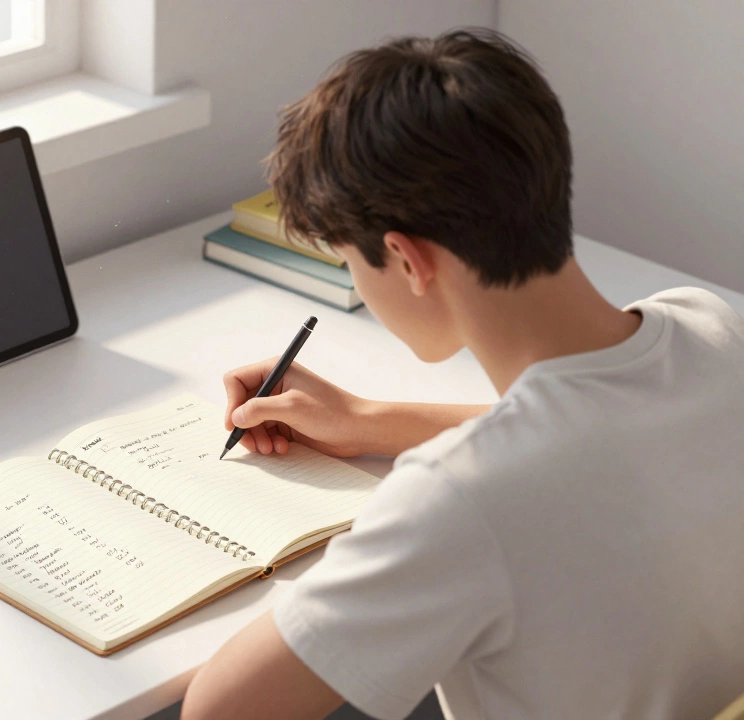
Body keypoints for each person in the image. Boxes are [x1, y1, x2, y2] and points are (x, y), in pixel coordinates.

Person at [181, 28, 744, 720]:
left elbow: (217, 711)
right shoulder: (714, 324)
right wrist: (366, 423)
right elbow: (596, 431)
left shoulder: (456, 504)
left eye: (349, 259)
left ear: (408, 260)